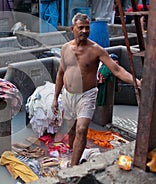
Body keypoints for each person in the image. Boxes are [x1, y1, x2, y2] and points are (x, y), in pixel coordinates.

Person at [51, 13, 142, 167]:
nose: (85, 31)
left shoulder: (96, 50)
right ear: (73, 29)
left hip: (86, 95)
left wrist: (136, 82)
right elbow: (60, 73)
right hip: (68, 95)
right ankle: (72, 153)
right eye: (81, 27)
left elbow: (116, 69)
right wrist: (55, 98)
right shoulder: (65, 49)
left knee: (82, 129)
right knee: (72, 129)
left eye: (87, 28)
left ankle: (73, 169)